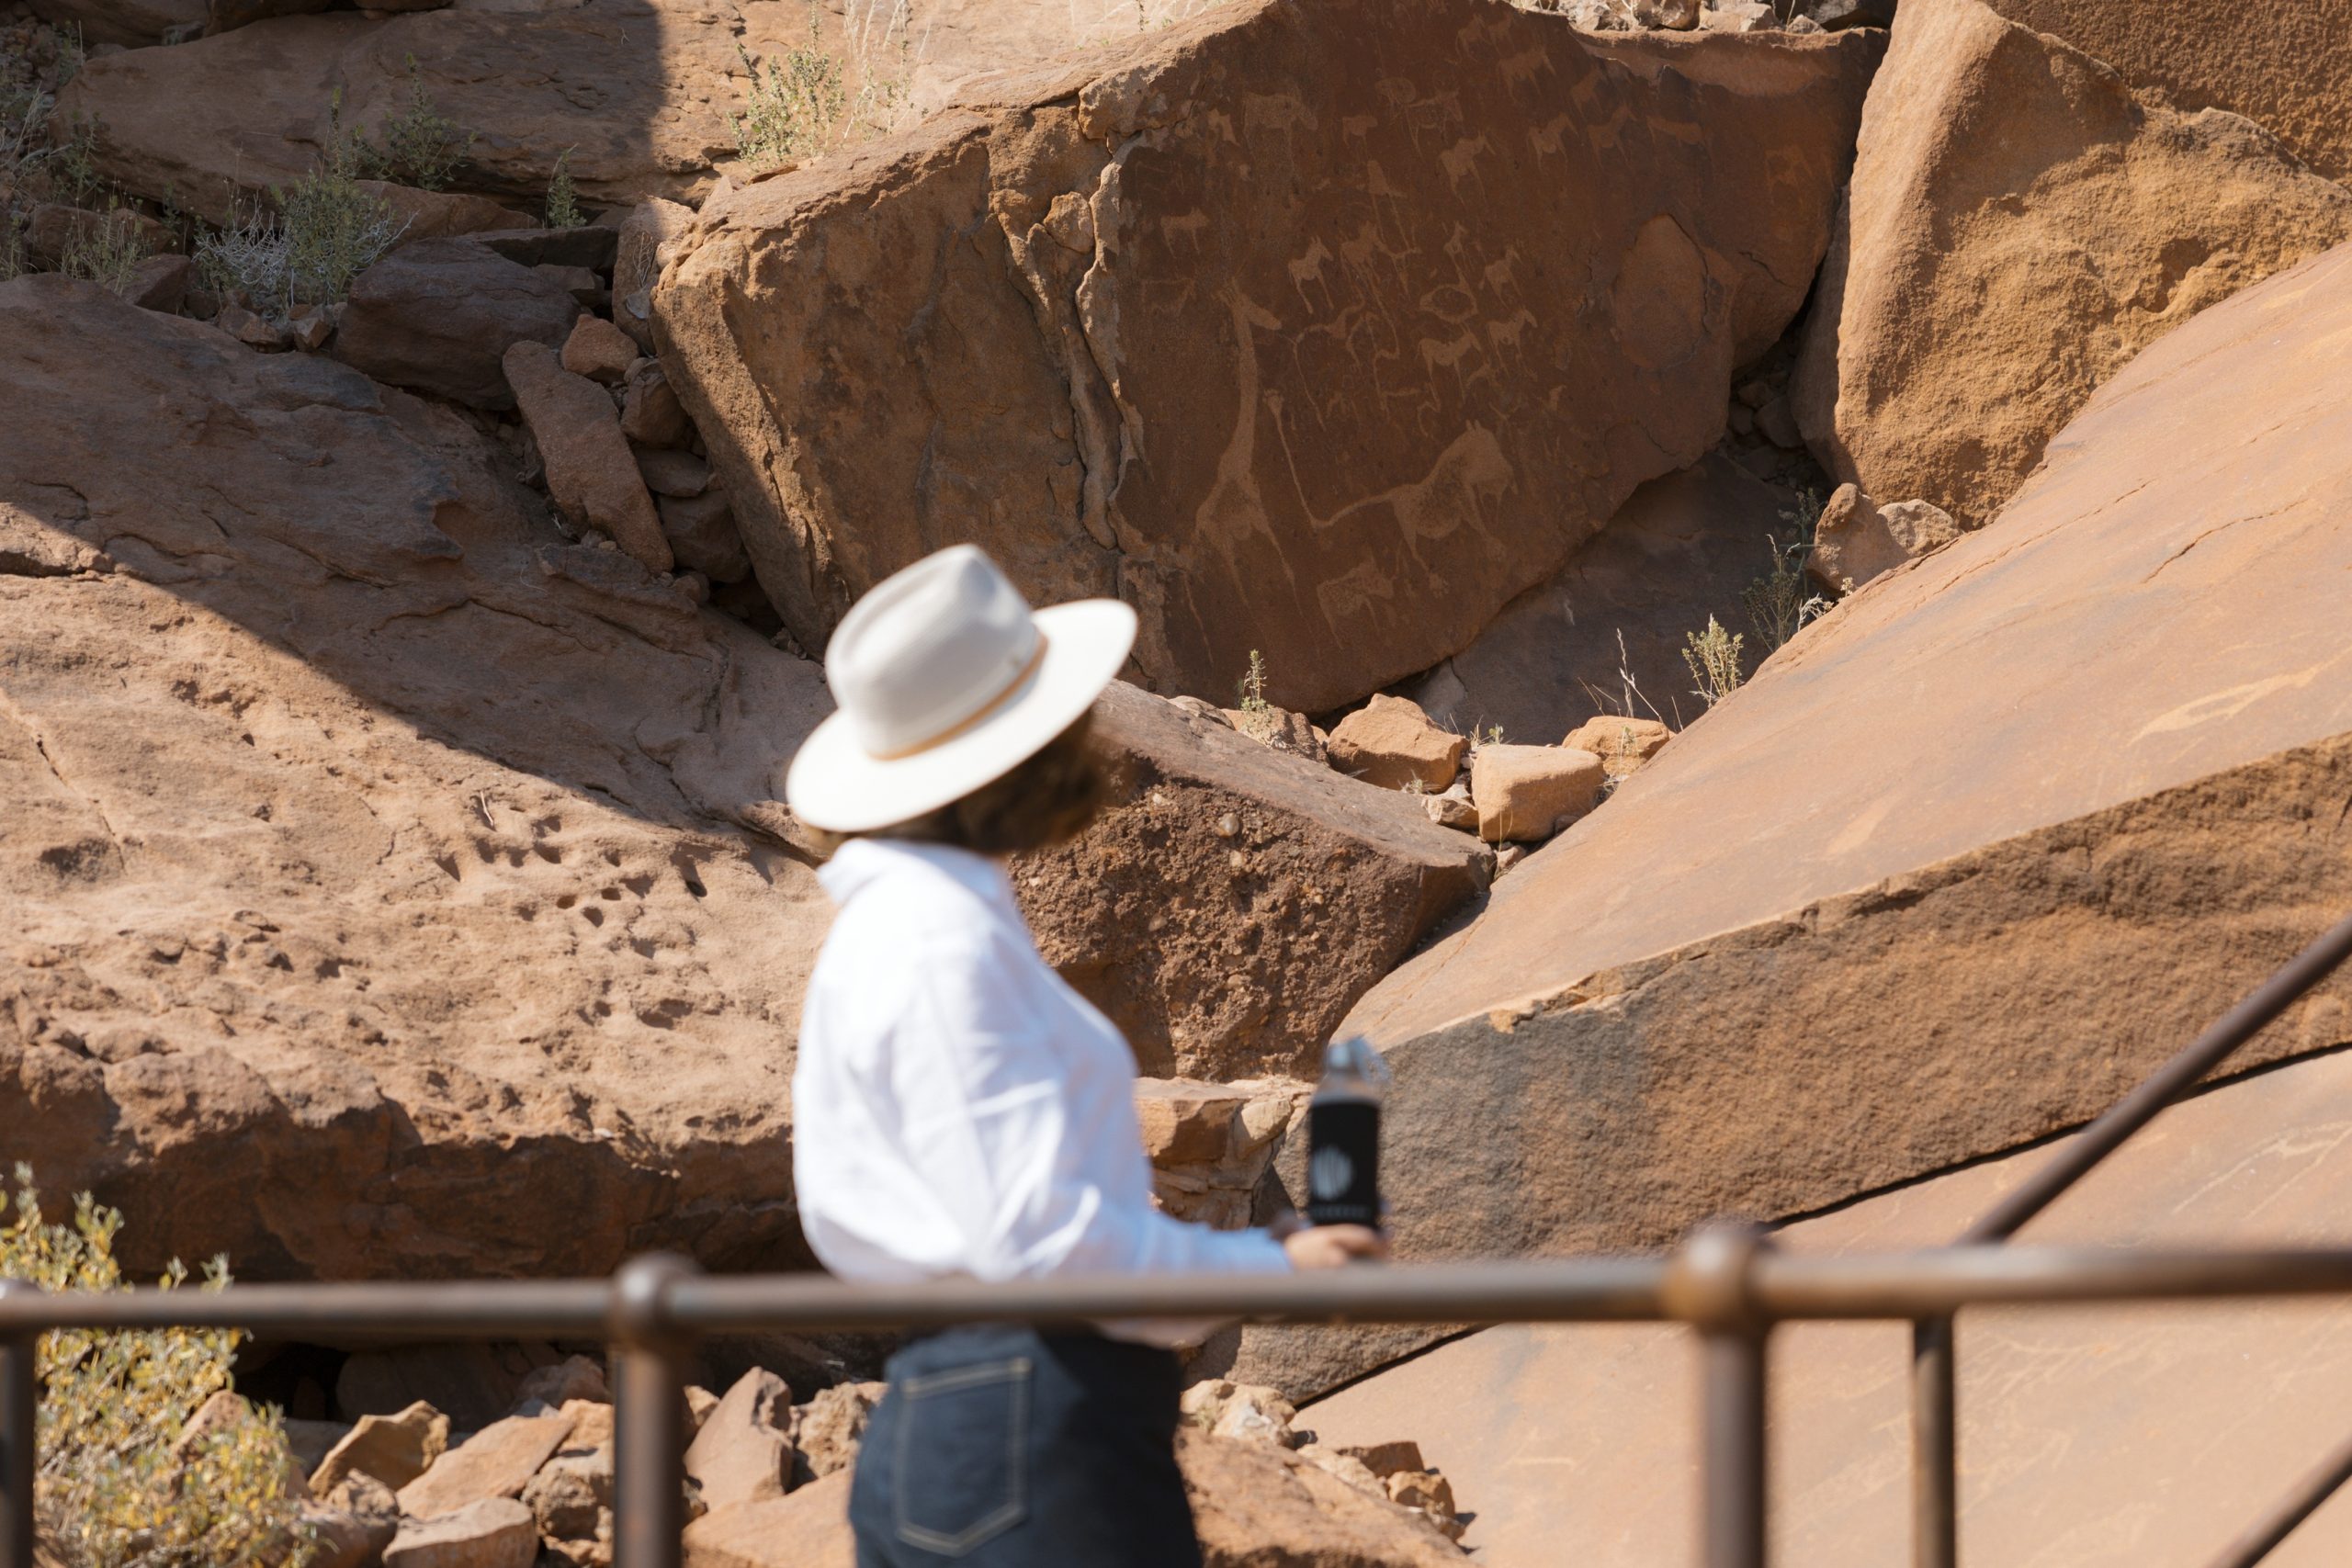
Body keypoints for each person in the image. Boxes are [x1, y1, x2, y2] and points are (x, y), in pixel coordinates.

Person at [786, 545, 1387, 1568]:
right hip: (1034, 1437)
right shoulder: (939, 942)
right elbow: (1042, 1246)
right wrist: (1273, 1259)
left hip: (983, 1427)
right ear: (1024, 752)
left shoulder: (912, 924)